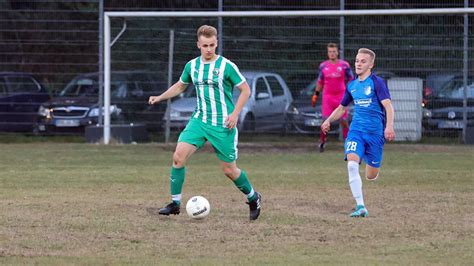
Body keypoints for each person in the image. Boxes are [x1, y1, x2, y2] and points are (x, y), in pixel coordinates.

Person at [148, 25, 261, 220]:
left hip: (223, 124)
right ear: (198, 45)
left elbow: (245, 90)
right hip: (199, 121)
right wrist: (160, 97)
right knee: (178, 157)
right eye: (205, 45)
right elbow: (180, 85)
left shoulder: (226, 66)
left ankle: (253, 197)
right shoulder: (192, 66)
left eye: (212, 45)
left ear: (216, 43)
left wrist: (234, 114)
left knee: (229, 170)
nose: (209, 49)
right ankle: (175, 204)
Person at [321, 48, 395, 217]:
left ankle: (372, 163)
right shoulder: (352, 86)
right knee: (352, 165)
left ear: (371, 64)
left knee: (370, 175)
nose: (358, 64)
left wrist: (389, 126)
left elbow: (388, 106)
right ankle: (360, 206)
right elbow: (341, 108)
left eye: (363, 61)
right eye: (357, 61)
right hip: (356, 132)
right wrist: (328, 120)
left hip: (375, 135)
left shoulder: (377, 83)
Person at [312, 43, 354, 152]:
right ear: (327, 53)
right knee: (325, 121)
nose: (332, 54)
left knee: (344, 121)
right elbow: (320, 82)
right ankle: (322, 142)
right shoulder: (323, 66)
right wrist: (315, 95)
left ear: (338, 52)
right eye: (330, 52)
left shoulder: (344, 65)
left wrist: (351, 92)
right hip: (328, 97)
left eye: (334, 51)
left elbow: (351, 79)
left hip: (341, 96)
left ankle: (348, 143)